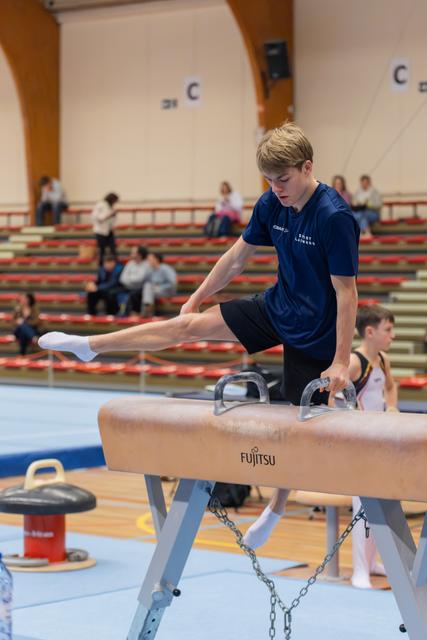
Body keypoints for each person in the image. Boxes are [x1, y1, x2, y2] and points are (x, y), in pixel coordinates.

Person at [38, 119, 359, 476]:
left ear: (307, 167)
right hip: (278, 307)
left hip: (316, 333)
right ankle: (91, 344)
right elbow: (236, 257)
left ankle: (296, 507)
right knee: (186, 325)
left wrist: (341, 361)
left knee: (312, 433)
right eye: (269, 180)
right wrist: (197, 297)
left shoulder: (333, 217)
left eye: (283, 179)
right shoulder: (272, 203)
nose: (276, 188)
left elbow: (346, 293)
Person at [349, 303, 397, 589]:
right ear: (370, 332)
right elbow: (332, 398)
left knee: (384, 504)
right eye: (388, 330)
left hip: (381, 441)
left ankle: (373, 561)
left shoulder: (383, 359)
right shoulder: (355, 363)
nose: (393, 335)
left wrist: (392, 408)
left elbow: (390, 386)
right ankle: (359, 570)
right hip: (360, 445)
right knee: (363, 508)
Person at [130, 252, 177, 317]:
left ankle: (146, 311)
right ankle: (148, 309)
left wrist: (159, 287)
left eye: (149, 259)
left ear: (156, 259)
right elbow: (145, 281)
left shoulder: (166, 268)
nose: (148, 261)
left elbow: (172, 283)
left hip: (167, 290)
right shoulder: (150, 270)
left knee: (148, 288)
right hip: (153, 290)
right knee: (146, 287)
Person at [116, 246, 151, 315]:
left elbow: (140, 279)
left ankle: (136, 312)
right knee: (112, 292)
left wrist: (129, 278)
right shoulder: (130, 263)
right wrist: (132, 280)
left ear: (139, 254)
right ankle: (114, 312)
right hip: (128, 287)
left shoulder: (146, 264)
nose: (131, 254)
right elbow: (122, 278)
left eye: (133, 252)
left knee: (134, 294)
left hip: (140, 288)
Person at [91, 193, 119, 265]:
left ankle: (115, 265)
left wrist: (113, 216)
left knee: (113, 249)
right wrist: (109, 215)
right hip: (100, 231)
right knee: (102, 250)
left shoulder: (111, 207)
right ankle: (101, 266)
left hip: (109, 230)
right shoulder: (100, 205)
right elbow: (97, 218)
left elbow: (112, 221)